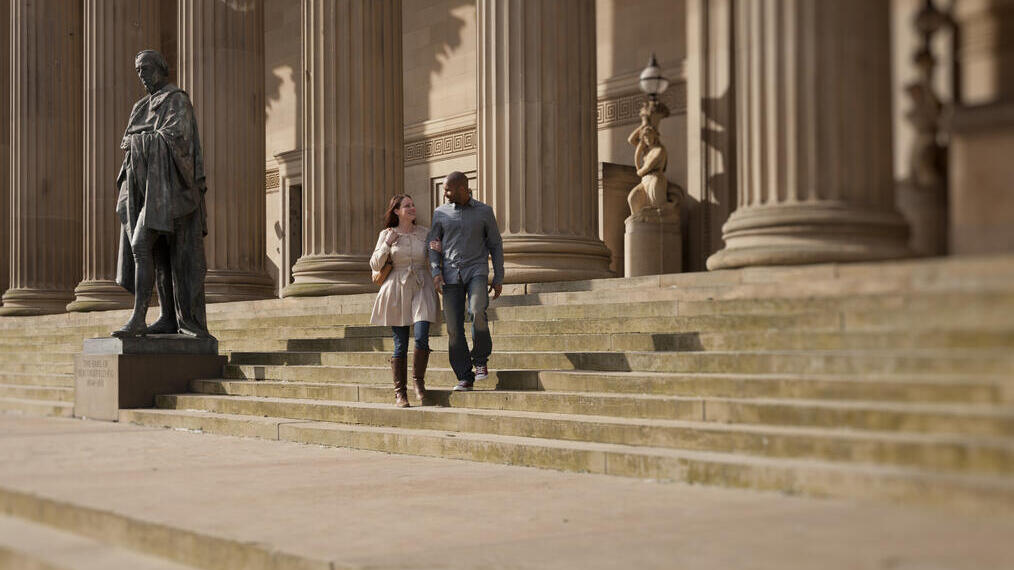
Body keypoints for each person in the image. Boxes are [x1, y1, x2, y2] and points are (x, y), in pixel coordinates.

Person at [113, 49, 211, 338]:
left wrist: (139, 141)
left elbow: (179, 139)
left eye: (145, 68)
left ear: (160, 68)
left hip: (173, 192)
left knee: (142, 244)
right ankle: (168, 316)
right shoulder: (140, 107)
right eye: (138, 70)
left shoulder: (176, 100)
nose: (141, 75)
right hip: (146, 190)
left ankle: (140, 318)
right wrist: (136, 143)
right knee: (158, 253)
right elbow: (128, 142)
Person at [427, 172, 504, 391]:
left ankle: (480, 361)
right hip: (450, 275)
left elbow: (495, 244)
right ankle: (464, 375)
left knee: (477, 310)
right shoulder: (440, 213)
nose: (445, 193)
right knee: (453, 328)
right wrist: (436, 272)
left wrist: (498, 277)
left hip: (476, 270)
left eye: (448, 189)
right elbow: (432, 244)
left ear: (462, 188)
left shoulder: (484, 212)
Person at [369, 194, 440, 407]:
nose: (412, 208)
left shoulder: (425, 233)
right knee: (400, 343)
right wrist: (386, 244)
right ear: (397, 211)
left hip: (421, 285)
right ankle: (400, 392)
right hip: (396, 288)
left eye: (413, 205)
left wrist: (439, 252)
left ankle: (418, 382)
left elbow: (434, 259)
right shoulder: (386, 234)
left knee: (422, 335)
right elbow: (375, 264)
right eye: (407, 206)